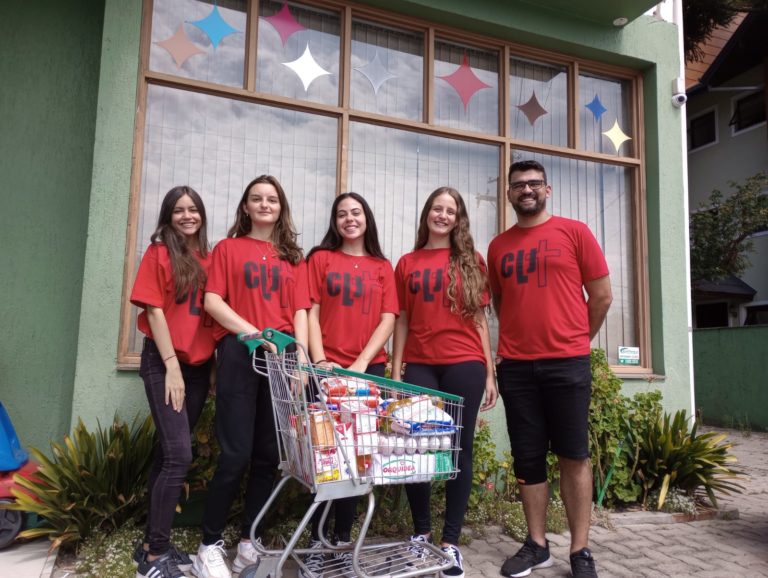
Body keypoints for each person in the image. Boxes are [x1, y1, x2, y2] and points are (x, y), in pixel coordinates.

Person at [488, 160, 612, 578]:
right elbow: (502, 304)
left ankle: (580, 551)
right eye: (518, 185)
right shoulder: (498, 246)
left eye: (534, 183)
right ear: (508, 193)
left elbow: (602, 297)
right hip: (517, 368)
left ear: (548, 189)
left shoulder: (575, 232)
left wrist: (578, 339)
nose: (526, 190)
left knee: (574, 455)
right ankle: (537, 545)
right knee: (528, 460)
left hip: (567, 363)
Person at [192, 175, 310, 578]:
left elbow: (299, 312)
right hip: (242, 355)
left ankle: (249, 541)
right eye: (256, 199)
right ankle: (207, 546)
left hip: (281, 359)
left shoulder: (292, 257)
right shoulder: (227, 249)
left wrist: (301, 359)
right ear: (245, 207)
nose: (264, 205)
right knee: (235, 454)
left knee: (266, 456)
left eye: (272, 199)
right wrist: (253, 334)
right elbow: (212, 300)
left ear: (281, 207)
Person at [391, 186, 498, 578]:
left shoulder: (471, 261)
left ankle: (450, 543)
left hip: (464, 364)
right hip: (420, 364)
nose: (442, 215)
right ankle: (421, 533)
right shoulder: (407, 263)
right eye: (437, 208)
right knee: (413, 449)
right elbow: (401, 318)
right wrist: (396, 366)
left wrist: (489, 372)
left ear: (458, 219)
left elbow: (480, 319)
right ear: (427, 214)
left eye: (450, 210)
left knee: (459, 449)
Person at [303, 192, 399, 576]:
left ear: (366, 218)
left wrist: (359, 365)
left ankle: (341, 540)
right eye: (341, 214)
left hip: (367, 373)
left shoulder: (381, 266)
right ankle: (316, 539)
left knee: (356, 462)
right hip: (326, 373)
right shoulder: (320, 259)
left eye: (355, 212)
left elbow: (389, 318)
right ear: (335, 221)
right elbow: (308, 311)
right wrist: (320, 360)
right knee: (324, 460)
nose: (349, 219)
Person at [130, 186, 216, 578]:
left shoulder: (209, 259)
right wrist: (171, 366)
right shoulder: (158, 253)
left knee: (169, 455)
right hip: (166, 363)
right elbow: (155, 310)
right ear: (168, 216)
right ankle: (154, 558)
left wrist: (210, 369)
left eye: (193, 209)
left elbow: (211, 319)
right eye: (179, 210)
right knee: (180, 455)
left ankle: (150, 544)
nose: (187, 216)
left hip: (198, 367)